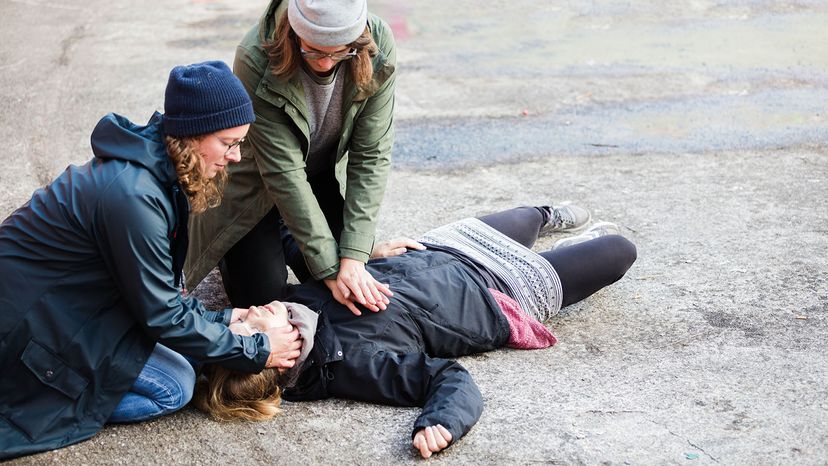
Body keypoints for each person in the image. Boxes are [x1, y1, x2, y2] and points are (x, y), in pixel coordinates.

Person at [183, 1, 595, 317]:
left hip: (318, 176)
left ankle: (540, 215)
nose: (326, 63)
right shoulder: (257, 54)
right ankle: (273, 243)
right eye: (313, 51)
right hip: (253, 188)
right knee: (265, 300)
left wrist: (355, 253)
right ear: (292, 32)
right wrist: (332, 266)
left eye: (338, 53)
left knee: (350, 285)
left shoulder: (377, 47)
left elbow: (371, 155)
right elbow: (283, 174)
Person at [0, 61, 302, 459]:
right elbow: (161, 314)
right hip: (29, 324)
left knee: (184, 360)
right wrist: (256, 352)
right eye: (229, 143)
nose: (236, 155)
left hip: (70, 304)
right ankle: (65, 402)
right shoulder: (134, 197)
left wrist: (226, 318)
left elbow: (156, 290)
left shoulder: (156, 172)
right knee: (174, 385)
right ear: (193, 135)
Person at [192, 205, 637, 459]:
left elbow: (291, 232)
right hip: (494, 292)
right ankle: (558, 253)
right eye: (252, 321)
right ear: (281, 355)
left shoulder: (292, 307)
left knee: (526, 217)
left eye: (237, 316)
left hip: (439, 252)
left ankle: (546, 216)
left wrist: (362, 251)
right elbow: (448, 378)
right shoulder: (350, 364)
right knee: (619, 251)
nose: (248, 309)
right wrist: (441, 422)